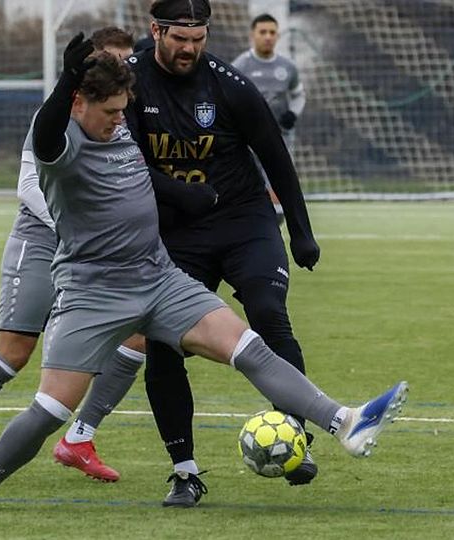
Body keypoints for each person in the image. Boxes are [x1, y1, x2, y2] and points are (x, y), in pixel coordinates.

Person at [0, 37, 407, 513]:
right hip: (93, 293)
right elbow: (48, 132)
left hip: (159, 278)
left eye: (123, 110)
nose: (120, 120)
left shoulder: (117, 128)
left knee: (249, 347)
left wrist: (186, 195)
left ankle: (346, 422)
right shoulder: (61, 143)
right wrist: (67, 80)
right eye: (111, 112)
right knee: (51, 410)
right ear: (79, 103)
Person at [0, 27, 207, 486]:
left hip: (93, 256)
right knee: (14, 352)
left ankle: (79, 437)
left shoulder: (117, 119)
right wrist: (81, 228)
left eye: (128, 62)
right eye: (114, 60)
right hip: (42, 241)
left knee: (137, 337)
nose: (123, 69)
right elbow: (28, 187)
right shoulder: (55, 116)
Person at [124, 0, 321, 506]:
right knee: (163, 344)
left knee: (268, 312)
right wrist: (178, 194)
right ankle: (185, 473)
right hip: (177, 233)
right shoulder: (131, 83)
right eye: (179, 39)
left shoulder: (230, 86)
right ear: (156, 31)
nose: (189, 49)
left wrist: (301, 231)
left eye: (199, 39)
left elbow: (276, 157)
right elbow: (121, 162)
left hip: (243, 221)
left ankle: (294, 437)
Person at [231, 13, 306, 222]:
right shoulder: (240, 66)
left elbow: (299, 95)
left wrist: (293, 113)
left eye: (272, 32)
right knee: (248, 180)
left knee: (278, 180)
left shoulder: (287, 67)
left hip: (280, 137)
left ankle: (275, 224)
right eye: (262, 32)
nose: (268, 37)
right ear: (252, 35)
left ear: (277, 36)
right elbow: (229, 98)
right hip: (248, 138)